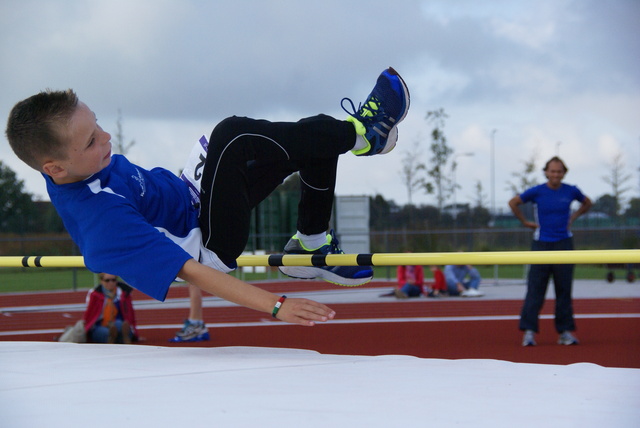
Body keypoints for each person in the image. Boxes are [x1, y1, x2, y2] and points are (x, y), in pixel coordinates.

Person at [6, 67, 410, 327]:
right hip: (208, 243)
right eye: (93, 140)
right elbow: (193, 272)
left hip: (192, 191)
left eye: (99, 126)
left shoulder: (73, 162)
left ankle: (312, 241)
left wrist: (90, 145)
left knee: (313, 135)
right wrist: (275, 305)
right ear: (53, 168)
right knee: (231, 134)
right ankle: (365, 135)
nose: (108, 138)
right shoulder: (103, 225)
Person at [508, 156, 592, 347]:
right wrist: (525, 222)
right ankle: (529, 332)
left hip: (564, 244)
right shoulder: (537, 191)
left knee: (564, 290)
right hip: (541, 245)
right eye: (552, 171)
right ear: (546, 172)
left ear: (564, 173)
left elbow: (587, 203)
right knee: (535, 289)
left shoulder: (571, 191)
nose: (555, 174)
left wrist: (574, 216)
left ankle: (564, 332)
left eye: (559, 171)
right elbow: (513, 202)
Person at [83, 273, 138, 343]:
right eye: (107, 280)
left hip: (117, 321)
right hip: (100, 324)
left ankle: (122, 337)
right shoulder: (94, 294)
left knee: (121, 325)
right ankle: (116, 338)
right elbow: (90, 313)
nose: (111, 283)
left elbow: (130, 312)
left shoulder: (123, 293)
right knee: (106, 333)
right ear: (101, 281)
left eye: (113, 280)